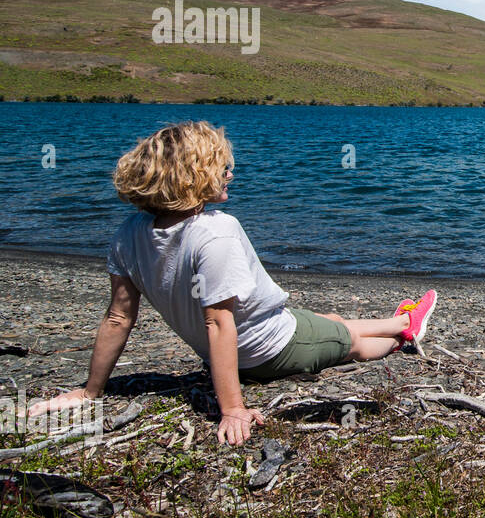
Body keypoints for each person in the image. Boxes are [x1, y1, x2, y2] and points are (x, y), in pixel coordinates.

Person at [25, 121, 438, 446]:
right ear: (193, 176)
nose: (231, 173)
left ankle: (395, 319)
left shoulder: (130, 232)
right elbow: (219, 323)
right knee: (353, 343)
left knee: (324, 318)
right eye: (222, 167)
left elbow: (118, 318)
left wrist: (90, 391)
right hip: (268, 350)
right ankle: (404, 331)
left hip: (251, 339)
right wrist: (233, 409)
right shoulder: (216, 232)